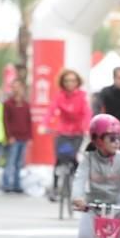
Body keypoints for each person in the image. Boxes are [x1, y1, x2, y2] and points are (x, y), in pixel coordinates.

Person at [44, 69, 91, 202]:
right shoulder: (59, 96)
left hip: (77, 132)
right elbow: (51, 111)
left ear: (77, 82)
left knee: (72, 157)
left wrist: (87, 128)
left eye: (73, 80)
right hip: (62, 132)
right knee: (59, 159)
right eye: (67, 81)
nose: (70, 83)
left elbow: (86, 113)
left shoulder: (82, 96)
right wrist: (45, 124)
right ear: (62, 82)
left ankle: (78, 188)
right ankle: (54, 189)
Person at [3, 79, 32, 193]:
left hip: (23, 137)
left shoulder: (26, 104)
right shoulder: (8, 104)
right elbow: (5, 121)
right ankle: (7, 184)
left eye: (19, 86)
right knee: (10, 161)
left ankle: (17, 184)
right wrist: (9, 136)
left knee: (19, 163)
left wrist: (30, 137)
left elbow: (29, 121)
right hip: (13, 137)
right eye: (14, 86)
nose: (17, 89)